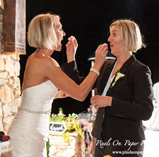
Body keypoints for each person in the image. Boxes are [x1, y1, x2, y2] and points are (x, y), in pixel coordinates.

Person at [8, 13, 107, 156]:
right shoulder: (46, 63)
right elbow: (80, 94)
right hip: (28, 134)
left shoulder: (35, 58)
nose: (64, 33)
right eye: (60, 29)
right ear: (48, 32)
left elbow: (31, 94)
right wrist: (97, 65)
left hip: (31, 130)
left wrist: (56, 93)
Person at [62, 19, 153, 157]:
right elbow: (80, 87)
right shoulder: (106, 66)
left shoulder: (139, 70)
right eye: (110, 34)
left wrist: (111, 101)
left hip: (126, 143)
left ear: (127, 38)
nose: (109, 39)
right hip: (101, 140)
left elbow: (146, 111)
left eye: (114, 34)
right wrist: (71, 58)